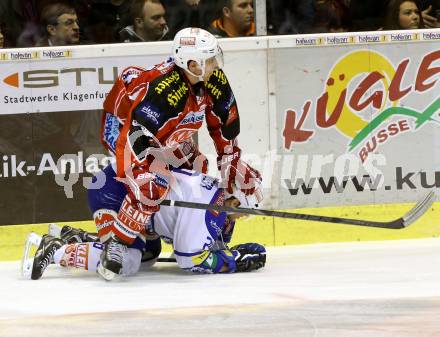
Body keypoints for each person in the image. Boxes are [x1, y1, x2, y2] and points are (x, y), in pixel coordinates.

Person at [83, 27, 261, 280]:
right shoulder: (163, 93)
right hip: (126, 133)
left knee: (197, 166)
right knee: (152, 185)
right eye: (209, 60)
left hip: (165, 139)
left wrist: (230, 171)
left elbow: (226, 131)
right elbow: (132, 139)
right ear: (192, 64)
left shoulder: (213, 80)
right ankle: (118, 242)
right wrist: (145, 183)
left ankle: (148, 228)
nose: (215, 65)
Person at [29, 169, 266, 280]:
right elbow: (188, 259)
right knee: (129, 261)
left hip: (125, 196)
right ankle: (55, 248)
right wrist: (232, 261)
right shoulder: (209, 211)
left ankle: (78, 237)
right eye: (243, 212)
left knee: (149, 255)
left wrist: (226, 253)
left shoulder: (215, 193)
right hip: (114, 195)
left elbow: (209, 242)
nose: (241, 218)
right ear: (235, 201)